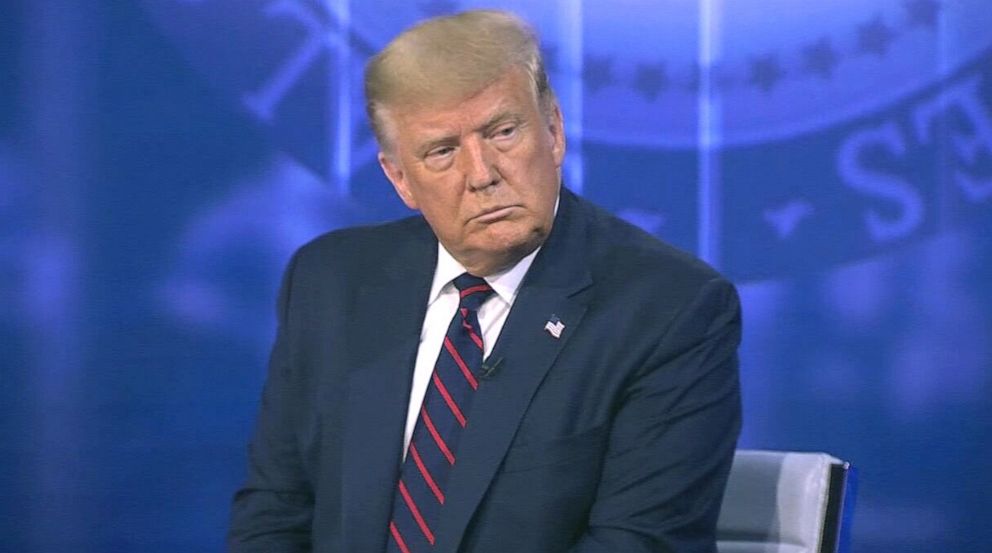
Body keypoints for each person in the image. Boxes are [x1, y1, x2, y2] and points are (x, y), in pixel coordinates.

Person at [228, 9, 741, 553]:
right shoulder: (330, 282)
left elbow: (638, 543)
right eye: (442, 151)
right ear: (399, 177)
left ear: (554, 131)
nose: (482, 173)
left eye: (503, 132)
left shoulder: (668, 309)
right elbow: (275, 512)